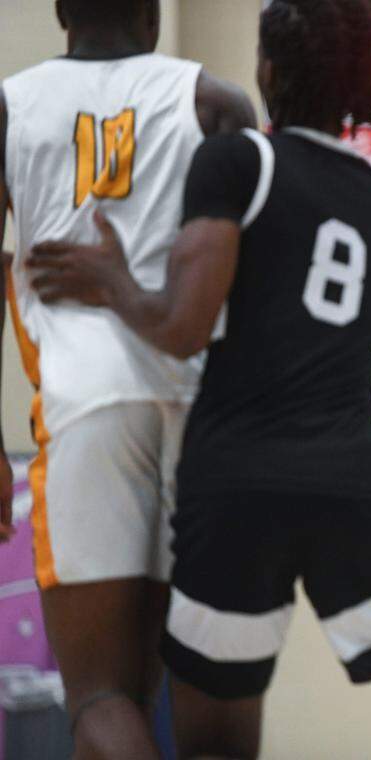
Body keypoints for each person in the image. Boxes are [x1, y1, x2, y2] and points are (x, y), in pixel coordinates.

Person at [23, 1, 371, 758]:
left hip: (235, 483)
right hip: (351, 480)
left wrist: (112, 279)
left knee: (201, 741)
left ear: (268, 70)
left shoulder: (240, 161)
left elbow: (180, 324)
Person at [0, 1, 254, 756]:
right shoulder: (217, 101)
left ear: (57, 12)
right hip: (202, 410)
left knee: (99, 697)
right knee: (173, 692)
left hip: (86, 407)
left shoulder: (10, 104)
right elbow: (261, 275)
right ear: (154, 16)